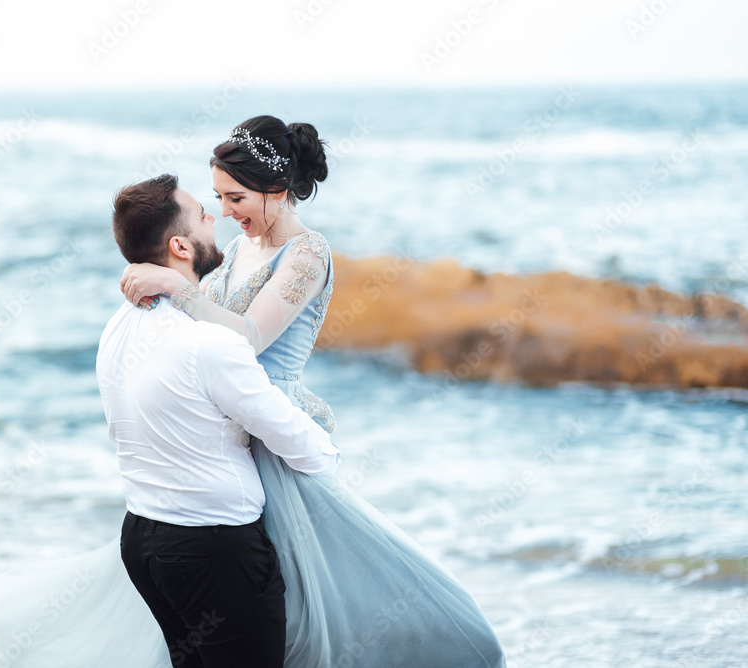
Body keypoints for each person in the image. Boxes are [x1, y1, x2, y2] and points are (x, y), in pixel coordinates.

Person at [120, 115, 507, 667]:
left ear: (277, 190)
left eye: (236, 198)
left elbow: (250, 338)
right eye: (219, 199)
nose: (226, 212)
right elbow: (200, 340)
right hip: (229, 437)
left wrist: (175, 287)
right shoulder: (235, 251)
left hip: (275, 433)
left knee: (313, 605)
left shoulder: (307, 253)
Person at [103, 173, 340, 667]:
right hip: (212, 548)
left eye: (231, 199)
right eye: (208, 210)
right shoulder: (208, 344)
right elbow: (295, 438)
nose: (220, 217)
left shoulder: (120, 324)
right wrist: (327, 450)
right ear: (179, 246)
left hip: (142, 537)